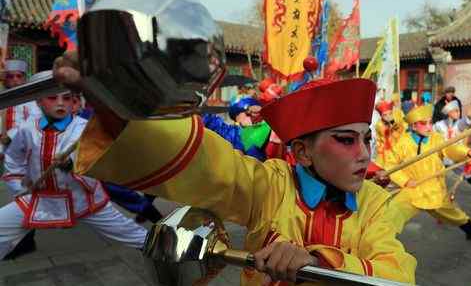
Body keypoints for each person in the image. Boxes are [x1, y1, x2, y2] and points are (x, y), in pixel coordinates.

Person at [58, 53, 416, 285]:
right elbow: (214, 168)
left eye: (366, 140)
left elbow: (398, 274)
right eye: (345, 140)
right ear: (303, 153)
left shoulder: (374, 203)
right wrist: (118, 104)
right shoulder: (273, 186)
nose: (364, 154)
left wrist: (318, 260)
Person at [0, 71, 148, 259]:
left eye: (66, 98)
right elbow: (13, 160)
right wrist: (21, 186)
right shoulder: (28, 129)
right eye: (52, 98)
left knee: (136, 236)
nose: (60, 103)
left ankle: (181, 255)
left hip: (84, 201)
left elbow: (101, 167)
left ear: (74, 102)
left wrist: (71, 166)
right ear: (38, 102)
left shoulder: (85, 130)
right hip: (40, 200)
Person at [382, 104, 471, 242]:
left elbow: (451, 148)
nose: (429, 127)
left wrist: (469, 152)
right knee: (391, 214)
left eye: (430, 123)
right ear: (414, 126)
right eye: (423, 123)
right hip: (412, 189)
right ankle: (381, 244)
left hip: (434, 190)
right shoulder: (403, 142)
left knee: (456, 215)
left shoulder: (436, 139)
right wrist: (405, 181)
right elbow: (391, 165)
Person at [0, 60, 43, 258]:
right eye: (11, 76)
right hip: (4, 154)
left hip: (26, 155)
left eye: (19, 76)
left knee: (25, 197)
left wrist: (10, 134)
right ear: (5, 79)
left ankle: (26, 241)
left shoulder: (32, 99)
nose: (16, 80)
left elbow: (35, 120)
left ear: (25, 78)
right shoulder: (3, 97)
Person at [373, 99, 405, 168]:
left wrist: (393, 121)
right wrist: (393, 123)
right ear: (381, 116)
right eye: (385, 115)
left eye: (390, 113)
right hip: (385, 152)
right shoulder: (379, 124)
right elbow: (386, 132)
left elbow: (401, 130)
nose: (388, 116)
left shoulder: (394, 120)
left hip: (397, 149)